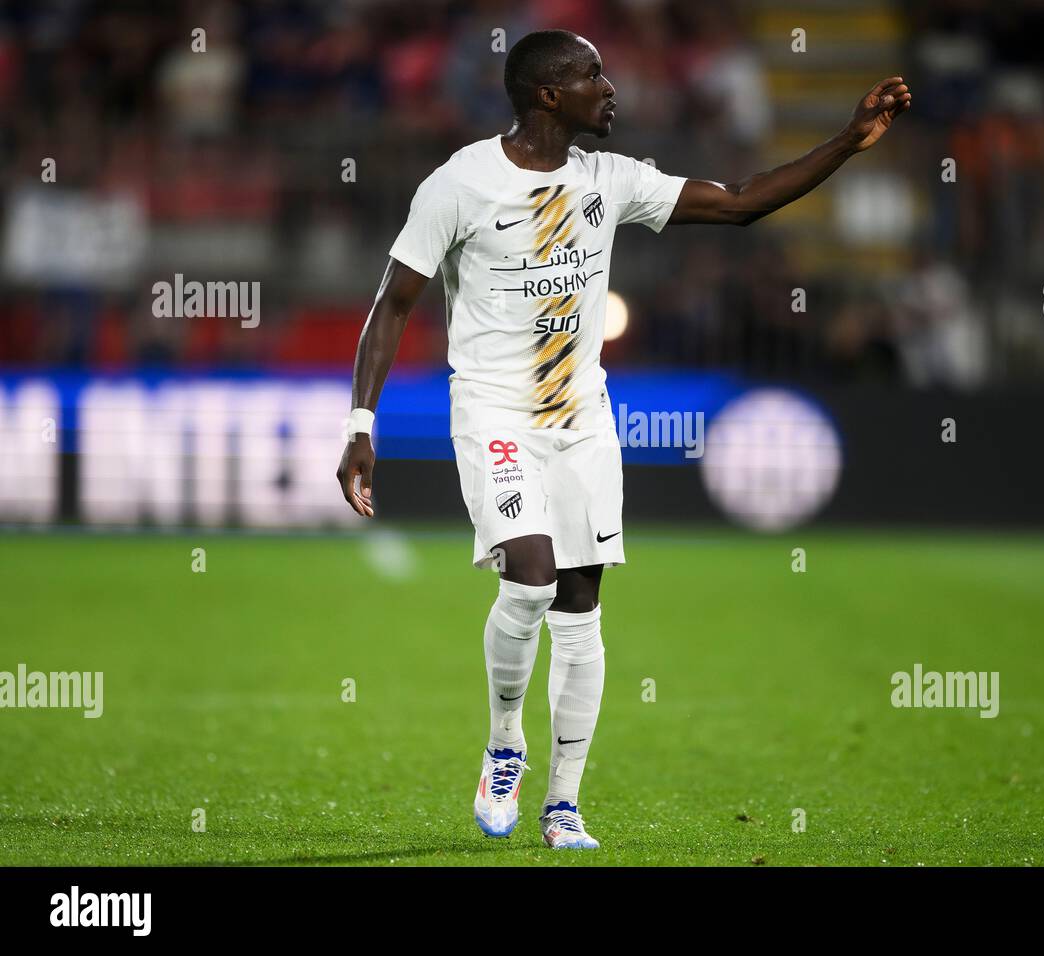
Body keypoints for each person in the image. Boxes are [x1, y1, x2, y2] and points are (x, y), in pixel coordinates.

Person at [337, 29, 910, 849]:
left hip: (582, 422)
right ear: (546, 95)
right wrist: (361, 422)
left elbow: (743, 200)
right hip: (494, 414)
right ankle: (505, 744)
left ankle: (563, 804)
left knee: (580, 604)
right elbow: (392, 304)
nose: (610, 88)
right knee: (530, 577)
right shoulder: (459, 183)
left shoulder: (611, 179)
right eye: (590, 76)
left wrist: (849, 143)